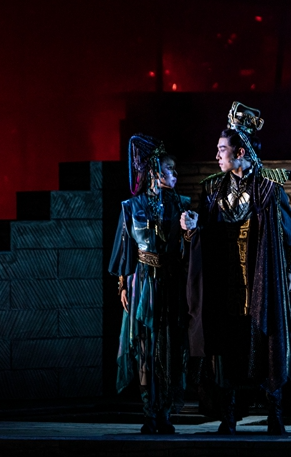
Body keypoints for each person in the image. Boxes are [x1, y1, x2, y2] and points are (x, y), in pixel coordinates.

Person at [181, 102, 291, 436]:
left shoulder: (268, 188)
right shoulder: (213, 190)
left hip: (261, 281)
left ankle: (275, 415)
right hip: (227, 285)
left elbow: (290, 234)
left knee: (266, 344)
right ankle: (229, 416)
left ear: (239, 152)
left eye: (222, 149)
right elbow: (206, 234)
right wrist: (192, 229)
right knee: (228, 347)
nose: (216, 155)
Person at [109, 134, 190, 435]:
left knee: (169, 347)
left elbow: (188, 248)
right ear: (155, 171)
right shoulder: (132, 207)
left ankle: (165, 413)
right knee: (145, 348)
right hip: (143, 283)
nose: (175, 174)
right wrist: (122, 285)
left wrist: (190, 232)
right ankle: (149, 413)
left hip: (171, 282)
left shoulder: (182, 204)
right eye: (169, 168)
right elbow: (125, 247)